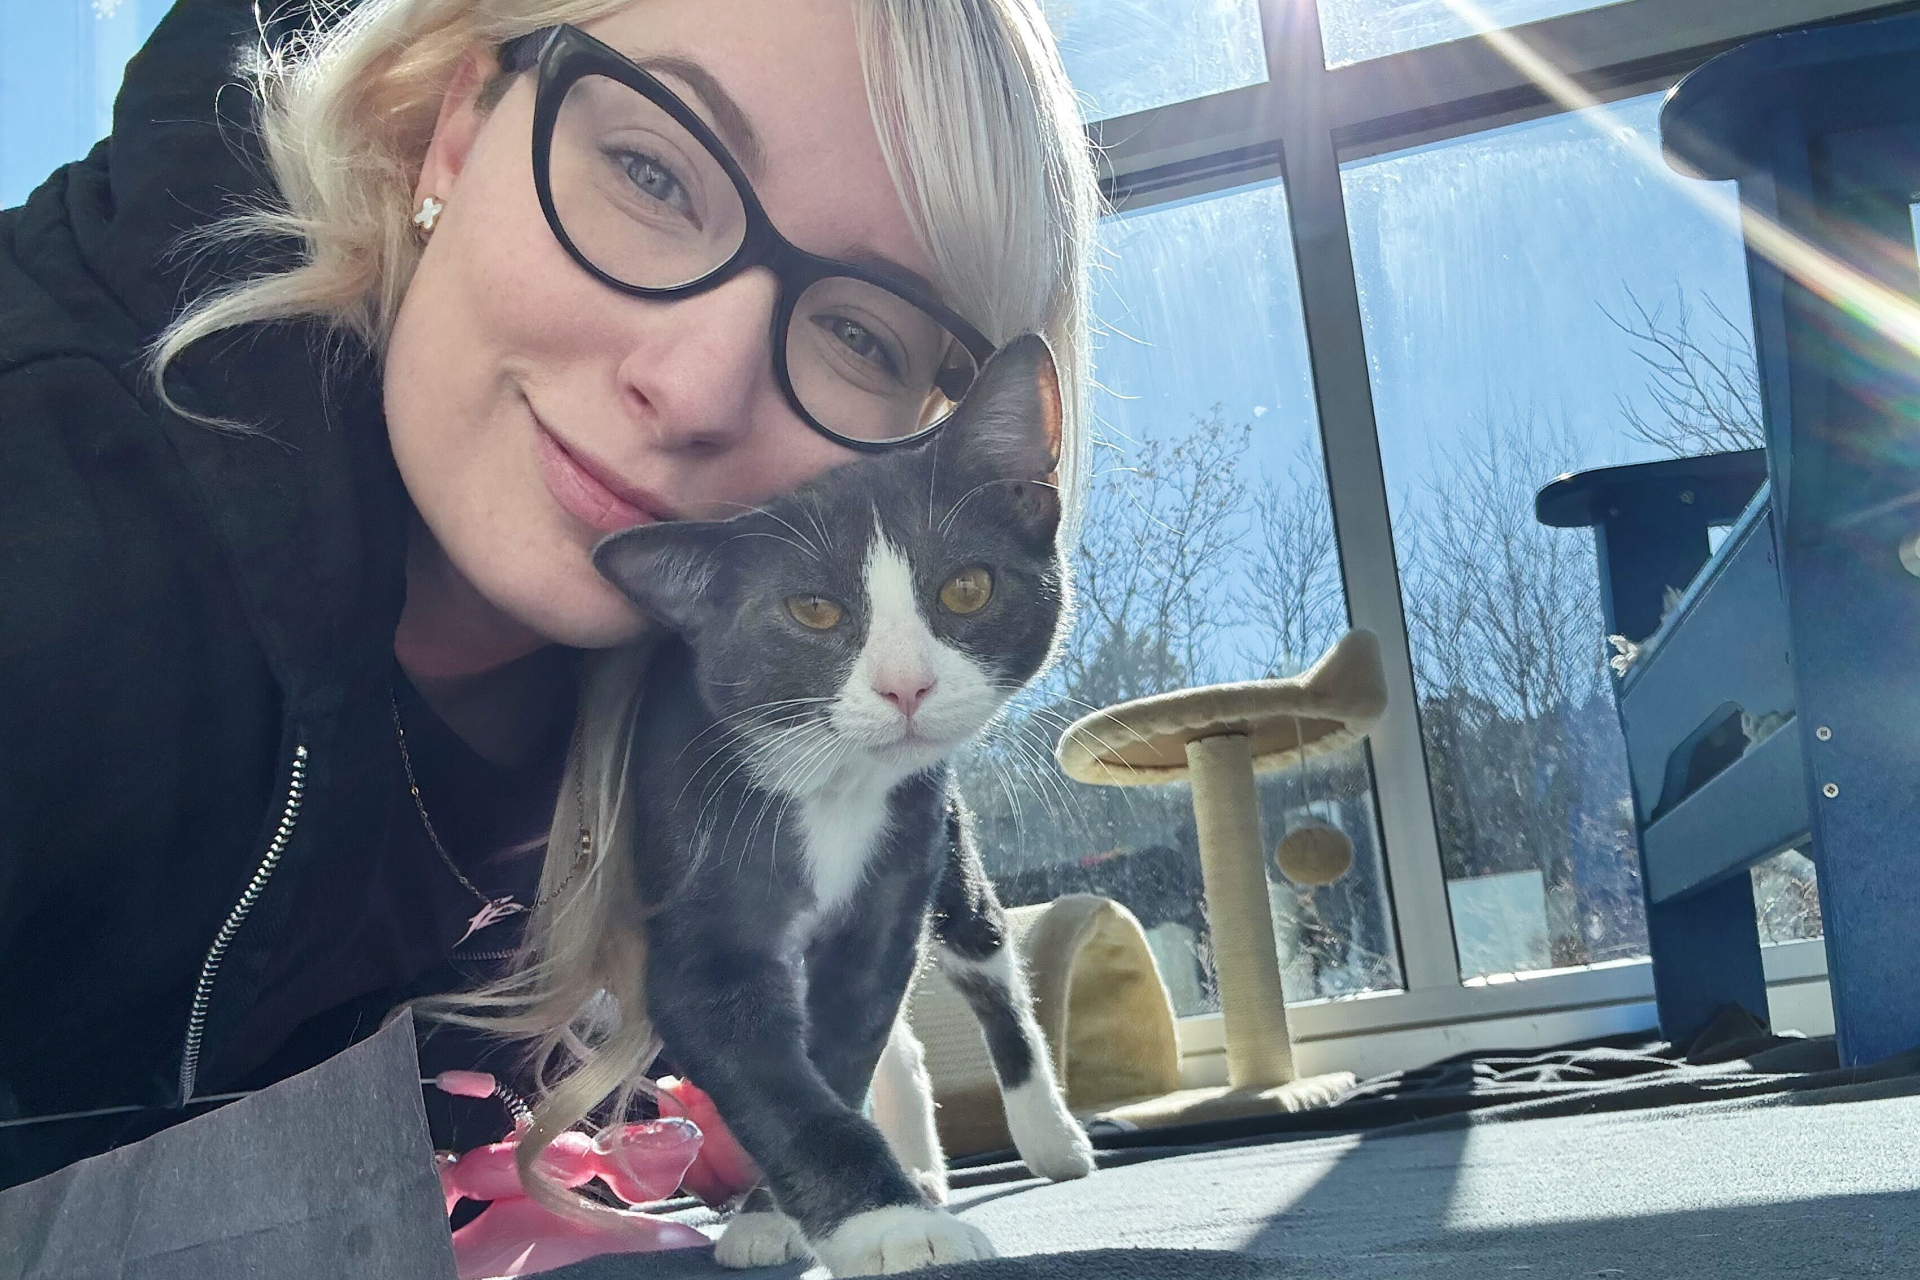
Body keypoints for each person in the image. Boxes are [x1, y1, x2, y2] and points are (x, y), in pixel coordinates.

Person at [0, 0, 1098, 1191]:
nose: (692, 388)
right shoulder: (50, 492)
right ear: (456, 131)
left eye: (861, 335)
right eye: (651, 173)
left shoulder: (731, 732)